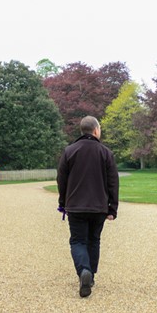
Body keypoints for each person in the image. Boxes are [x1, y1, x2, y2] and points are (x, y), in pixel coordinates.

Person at [56, 116, 119, 298]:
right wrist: (112, 208)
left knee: (78, 241)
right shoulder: (106, 153)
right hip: (99, 206)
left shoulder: (69, 151)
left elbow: (62, 180)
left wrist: (63, 203)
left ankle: (84, 270)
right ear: (96, 130)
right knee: (93, 240)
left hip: (76, 205)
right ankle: (90, 275)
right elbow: (113, 183)